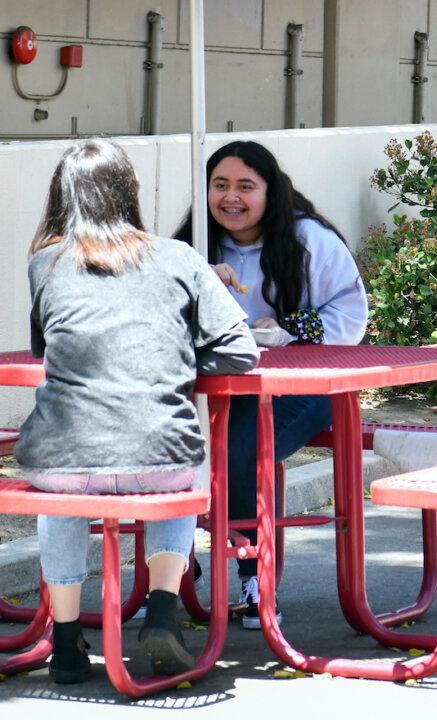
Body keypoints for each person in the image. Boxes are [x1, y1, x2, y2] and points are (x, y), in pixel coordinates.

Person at [15, 140, 259, 683]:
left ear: (62, 198)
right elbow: (241, 351)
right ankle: (164, 611)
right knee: (186, 456)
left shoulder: (45, 264)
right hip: (158, 462)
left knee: (60, 487)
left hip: (62, 461)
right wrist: (177, 354)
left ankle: (66, 644)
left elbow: (44, 350)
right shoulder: (179, 257)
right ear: (129, 193)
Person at [175, 140, 368, 630]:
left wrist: (288, 331)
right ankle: (171, 563)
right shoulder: (191, 247)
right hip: (213, 390)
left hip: (303, 388)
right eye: (220, 185)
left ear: (270, 191)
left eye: (245, 186)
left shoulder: (309, 240)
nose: (231, 198)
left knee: (239, 449)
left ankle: (254, 579)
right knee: (158, 439)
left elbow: (351, 315)